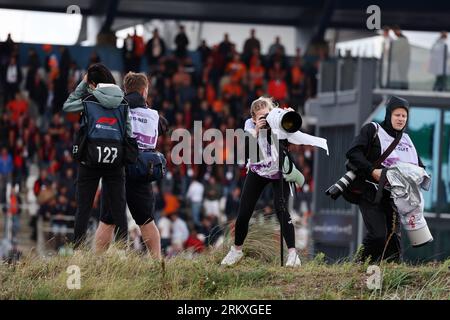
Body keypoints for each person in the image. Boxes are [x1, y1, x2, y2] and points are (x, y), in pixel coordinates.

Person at [221, 96, 302, 267]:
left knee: (281, 209)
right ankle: (236, 250)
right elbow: (248, 149)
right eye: (261, 117)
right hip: (259, 170)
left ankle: (293, 255)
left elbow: (294, 132)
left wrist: (289, 118)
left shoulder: (278, 118)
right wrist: (257, 130)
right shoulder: (249, 125)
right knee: (244, 211)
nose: (266, 119)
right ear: (253, 118)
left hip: (278, 169)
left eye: (268, 114)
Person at [95, 72, 168, 259]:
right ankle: (157, 264)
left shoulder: (115, 108)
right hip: (141, 172)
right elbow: (163, 126)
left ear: (125, 89)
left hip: (116, 170)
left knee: (107, 222)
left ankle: (95, 263)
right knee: (146, 221)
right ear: (144, 91)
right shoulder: (153, 116)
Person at [346, 96, 424, 263]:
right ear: (389, 115)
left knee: (393, 241)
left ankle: (391, 274)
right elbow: (353, 153)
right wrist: (372, 171)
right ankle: (358, 266)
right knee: (378, 235)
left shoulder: (407, 140)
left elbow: (420, 168)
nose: (401, 119)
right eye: (397, 115)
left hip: (394, 197)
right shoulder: (372, 130)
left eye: (404, 116)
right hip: (369, 191)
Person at [63, 63, 133, 247]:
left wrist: (82, 84)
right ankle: (123, 251)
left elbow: (67, 106)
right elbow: (128, 133)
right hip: (115, 160)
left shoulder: (87, 99)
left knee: (84, 209)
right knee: (119, 209)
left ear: (92, 83)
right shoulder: (124, 102)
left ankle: (78, 250)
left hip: (90, 160)